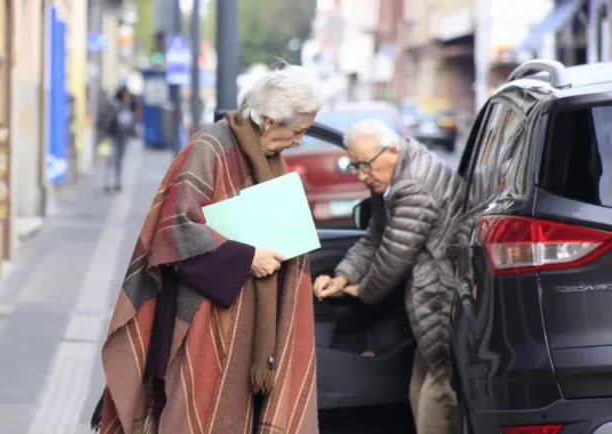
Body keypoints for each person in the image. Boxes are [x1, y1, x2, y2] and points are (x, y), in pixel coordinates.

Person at [93, 64, 323, 434]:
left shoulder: (268, 158)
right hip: (202, 321)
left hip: (249, 329)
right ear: (269, 121)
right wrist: (248, 258)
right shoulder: (210, 147)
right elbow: (175, 232)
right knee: (194, 417)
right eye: (297, 131)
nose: (298, 141)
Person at [313, 119, 465, 434]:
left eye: (366, 165)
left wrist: (363, 291)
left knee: (440, 385)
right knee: (425, 378)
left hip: (439, 289)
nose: (362, 175)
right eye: (354, 166)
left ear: (393, 150)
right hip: (431, 287)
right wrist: (343, 276)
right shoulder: (393, 175)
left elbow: (393, 256)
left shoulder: (413, 186)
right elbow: (375, 236)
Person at [99, 86, 138, 192]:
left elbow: (130, 120)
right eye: (126, 95)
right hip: (113, 136)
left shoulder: (126, 106)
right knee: (111, 159)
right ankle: (108, 182)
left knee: (119, 160)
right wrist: (105, 134)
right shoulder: (113, 105)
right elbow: (107, 120)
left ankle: (117, 182)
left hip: (123, 137)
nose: (128, 98)